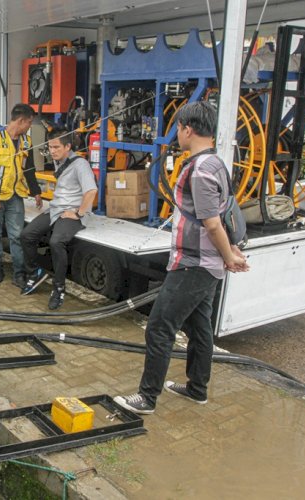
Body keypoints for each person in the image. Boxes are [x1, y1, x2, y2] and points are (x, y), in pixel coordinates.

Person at [114, 101, 250, 415]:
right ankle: (196, 388)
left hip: (194, 263)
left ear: (188, 129)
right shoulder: (215, 162)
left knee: (160, 327)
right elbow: (224, 211)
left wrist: (229, 255)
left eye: (178, 128)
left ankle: (146, 398)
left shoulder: (200, 169)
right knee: (199, 326)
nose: (177, 133)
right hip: (207, 262)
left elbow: (213, 222)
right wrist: (228, 252)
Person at [20, 127, 97, 309]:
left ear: (67, 146)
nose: (52, 151)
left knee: (56, 242)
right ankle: (35, 273)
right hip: (55, 210)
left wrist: (78, 213)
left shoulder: (80, 165)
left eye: (56, 147)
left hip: (71, 213)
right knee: (26, 235)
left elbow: (92, 191)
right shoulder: (58, 161)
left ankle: (59, 287)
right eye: (50, 147)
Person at [0, 103, 42, 288]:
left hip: (15, 195)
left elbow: (28, 168)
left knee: (17, 235)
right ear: (20, 121)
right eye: (29, 122)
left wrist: (36, 191)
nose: (30, 126)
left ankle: (19, 273)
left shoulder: (26, 141)